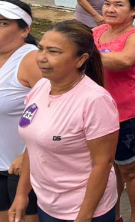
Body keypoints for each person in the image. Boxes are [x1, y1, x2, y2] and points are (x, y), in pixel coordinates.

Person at [10, 20, 119, 222]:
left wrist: (84, 216)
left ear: (80, 59)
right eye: (40, 48)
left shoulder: (95, 101)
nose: (41, 57)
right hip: (47, 203)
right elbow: (33, 146)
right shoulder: (41, 87)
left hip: (83, 209)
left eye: (53, 51)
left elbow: (102, 164)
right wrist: (22, 193)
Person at [93, 0, 135, 222]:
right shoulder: (97, 32)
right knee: (107, 169)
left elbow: (124, 60)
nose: (110, 9)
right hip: (98, 113)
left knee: (129, 172)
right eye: (107, 3)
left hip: (128, 115)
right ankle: (115, 216)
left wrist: (85, 54)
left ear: (134, 10)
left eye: (118, 5)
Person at [0, 0, 41, 222]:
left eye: (3, 23)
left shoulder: (31, 60)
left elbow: (54, 108)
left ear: (25, 30)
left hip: (20, 168)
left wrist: (27, 154)